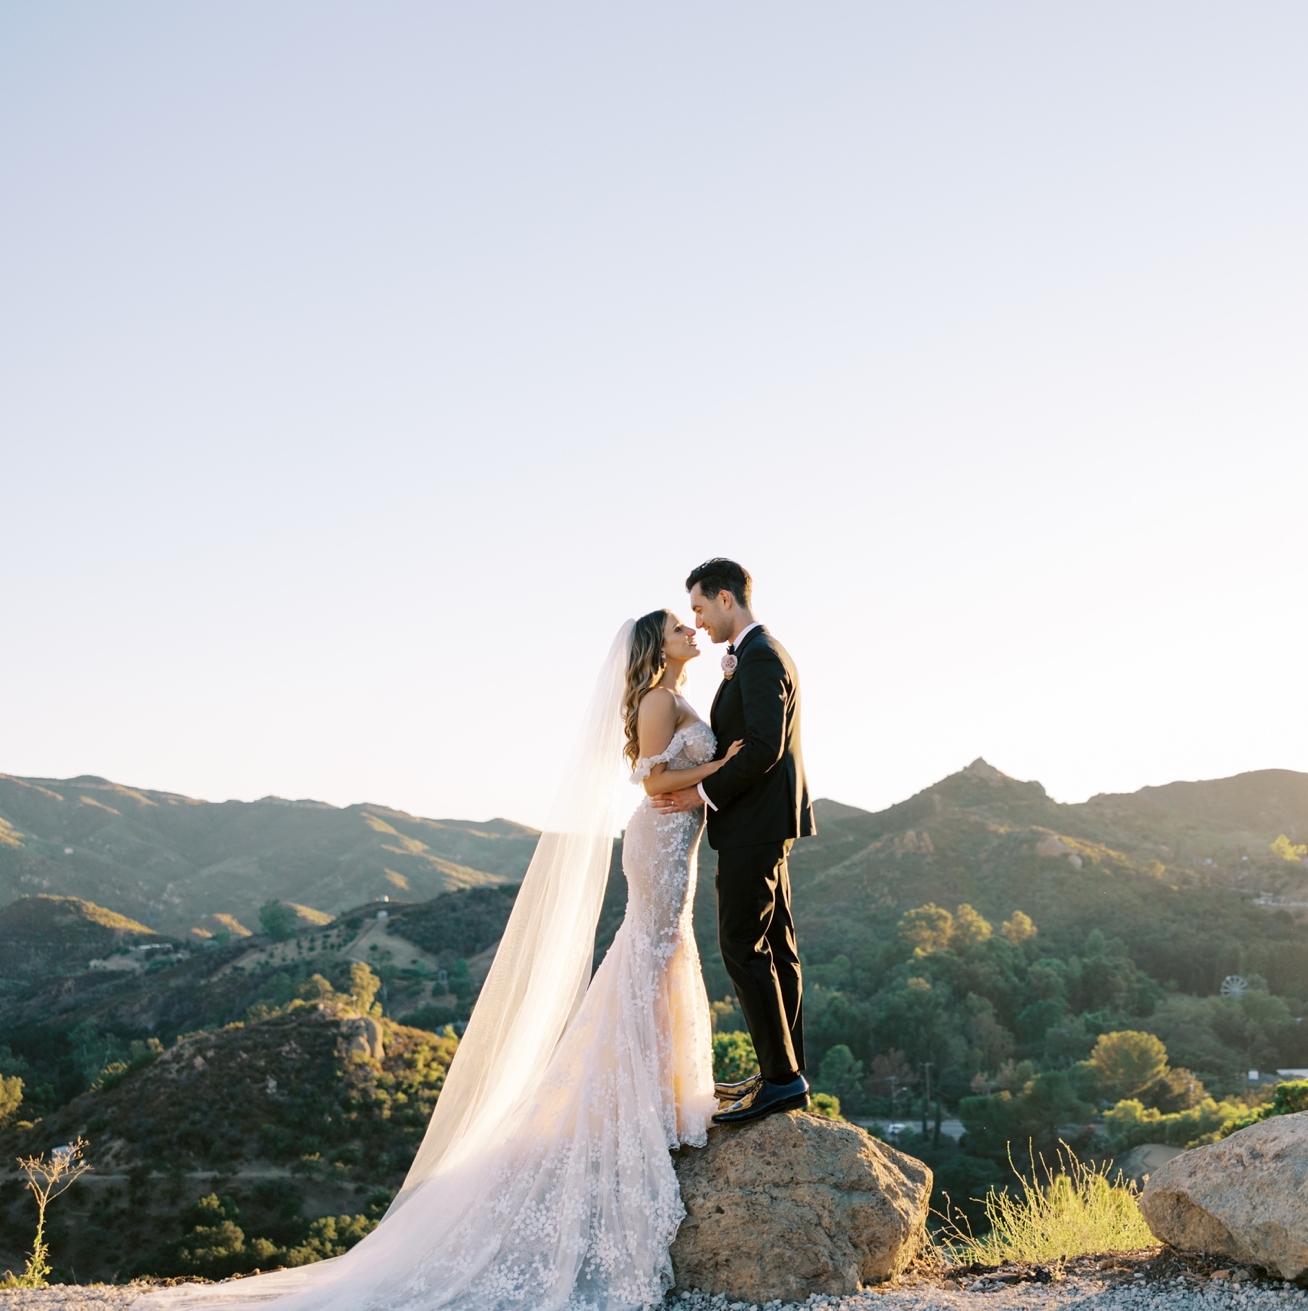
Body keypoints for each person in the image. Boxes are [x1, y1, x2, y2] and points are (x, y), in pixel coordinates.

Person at [141, 611, 736, 1309]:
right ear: (652, 645)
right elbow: (652, 785)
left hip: (675, 847)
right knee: (651, 956)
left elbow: (673, 769)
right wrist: (725, 766)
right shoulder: (656, 699)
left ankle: (658, 1093)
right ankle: (643, 1102)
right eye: (675, 625)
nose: (688, 628)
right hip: (661, 841)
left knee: (660, 958)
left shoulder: (678, 691)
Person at [650, 557, 816, 1125]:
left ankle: (782, 1079)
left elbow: (766, 746)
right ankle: (783, 1070)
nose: (697, 619)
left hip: (754, 824)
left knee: (742, 946)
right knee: (776, 949)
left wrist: (703, 794)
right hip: (763, 823)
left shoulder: (761, 656)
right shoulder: (755, 655)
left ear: (726, 598)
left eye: (698, 607)